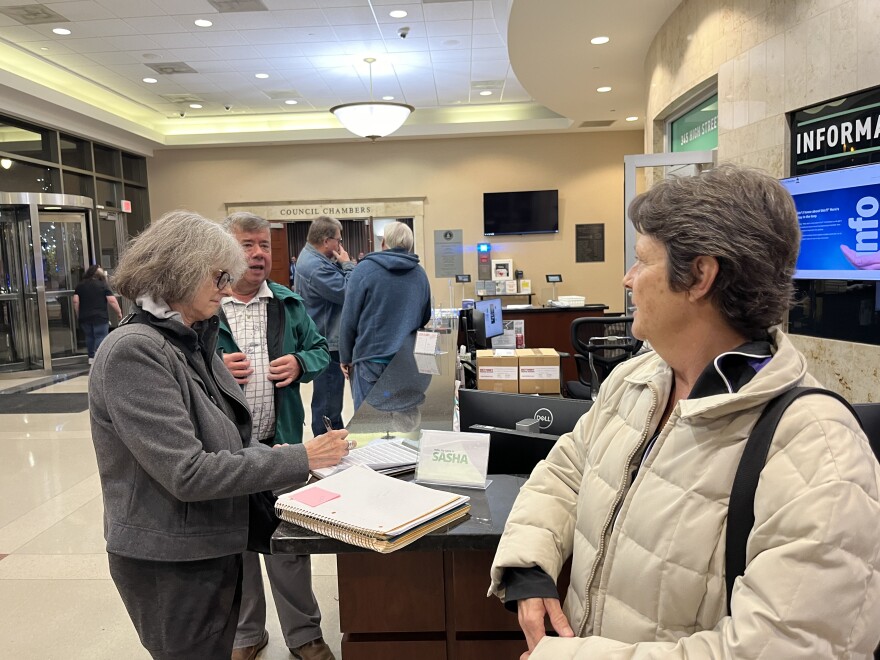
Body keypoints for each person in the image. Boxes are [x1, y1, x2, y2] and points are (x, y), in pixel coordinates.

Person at [489, 165, 880, 659]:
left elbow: (786, 648)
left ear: (699, 275)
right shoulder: (638, 380)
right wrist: (529, 567)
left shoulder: (817, 449)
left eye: (641, 261)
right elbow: (568, 471)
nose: (627, 279)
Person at [88, 210, 353, 660]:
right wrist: (301, 458)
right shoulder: (134, 351)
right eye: (218, 276)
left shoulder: (190, 335)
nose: (227, 289)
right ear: (181, 270)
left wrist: (300, 469)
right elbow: (188, 472)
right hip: (171, 559)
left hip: (209, 541)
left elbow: (230, 437)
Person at [218, 212, 338, 660]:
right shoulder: (205, 310)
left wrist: (301, 363)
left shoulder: (286, 303)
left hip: (281, 445)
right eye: (247, 244)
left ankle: (304, 635)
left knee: (287, 544)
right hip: (226, 454)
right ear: (226, 251)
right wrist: (214, 371)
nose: (258, 254)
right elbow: (178, 373)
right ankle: (247, 635)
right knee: (238, 546)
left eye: (264, 245)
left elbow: (321, 350)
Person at [339, 222, 431, 410]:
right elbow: (425, 316)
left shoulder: (364, 270)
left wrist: (345, 357)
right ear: (409, 246)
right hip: (406, 362)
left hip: (370, 360)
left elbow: (349, 319)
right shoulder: (420, 274)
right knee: (401, 419)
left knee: (367, 425)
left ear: (383, 243)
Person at [294, 215, 355, 437]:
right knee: (328, 403)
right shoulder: (315, 266)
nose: (340, 246)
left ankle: (332, 443)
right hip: (327, 343)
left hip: (326, 337)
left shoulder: (315, 259)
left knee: (328, 400)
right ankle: (329, 446)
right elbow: (350, 292)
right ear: (327, 240)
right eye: (338, 240)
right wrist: (347, 264)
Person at [74, 264, 122, 364]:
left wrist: (78, 314)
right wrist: (119, 312)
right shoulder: (103, 285)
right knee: (100, 336)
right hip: (100, 316)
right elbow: (112, 300)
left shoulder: (80, 285)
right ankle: (99, 357)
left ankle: (91, 357)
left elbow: (75, 301)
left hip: (85, 316)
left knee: (89, 336)